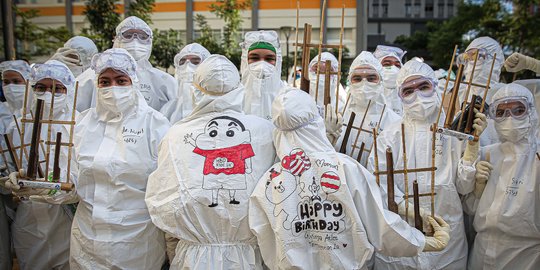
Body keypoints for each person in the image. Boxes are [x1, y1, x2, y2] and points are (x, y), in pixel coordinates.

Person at [249, 88, 451, 269]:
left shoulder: (269, 180)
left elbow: (263, 239)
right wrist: (423, 242)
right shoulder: (346, 168)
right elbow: (380, 226)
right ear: (317, 122)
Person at [145, 55, 276, 269]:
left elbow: (163, 200)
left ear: (195, 90)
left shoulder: (176, 135)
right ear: (238, 89)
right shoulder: (266, 130)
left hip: (195, 257)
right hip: (252, 256)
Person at [369, 60, 486, 269]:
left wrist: (471, 149)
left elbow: (464, 187)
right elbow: (377, 184)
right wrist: (412, 210)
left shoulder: (453, 132)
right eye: (408, 91)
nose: (417, 96)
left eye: (424, 87)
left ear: (435, 87)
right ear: (399, 96)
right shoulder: (389, 137)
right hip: (403, 233)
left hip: (447, 234)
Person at [69, 48, 169, 269]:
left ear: (133, 81)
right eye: (105, 81)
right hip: (88, 236)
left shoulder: (155, 124)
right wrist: (53, 189)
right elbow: (72, 177)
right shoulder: (83, 124)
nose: (112, 87)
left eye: (121, 80)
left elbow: (165, 184)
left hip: (137, 238)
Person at [2, 60, 78, 270]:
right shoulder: (18, 125)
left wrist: (55, 188)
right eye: (41, 87)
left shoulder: (80, 125)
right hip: (31, 218)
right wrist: (12, 180)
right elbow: (10, 165)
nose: (48, 93)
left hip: (67, 217)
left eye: (57, 88)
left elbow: (85, 176)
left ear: (69, 90)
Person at [459, 83, 539, 269]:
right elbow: (471, 209)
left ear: (531, 112)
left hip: (526, 254)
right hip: (483, 248)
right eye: (501, 112)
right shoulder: (487, 153)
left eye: (518, 110)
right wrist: (477, 189)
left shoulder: (537, 157)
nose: (509, 118)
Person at [76, 16, 177, 112]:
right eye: (128, 35)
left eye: (142, 37)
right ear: (116, 39)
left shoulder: (165, 81)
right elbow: (75, 113)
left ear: (150, 41)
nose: (135, 41)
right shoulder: (90, 77)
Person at [334, 51, 401, 167]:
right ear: (350, 81)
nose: (364, 83)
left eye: (371, 78)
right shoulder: (339, 117)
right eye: (357, 78)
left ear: (381, 80)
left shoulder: (394, 121)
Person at [0, 59, 31, 270]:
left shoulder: (37, 114)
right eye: (6, 81)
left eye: (17, 81)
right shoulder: (3, 112)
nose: (11, 87)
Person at [240, 30, 287, 120]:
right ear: (244, 60)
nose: (262, 65)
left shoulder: (288, 98)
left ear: (278, 61)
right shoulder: (232, 97)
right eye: (254, 58)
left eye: (269, 59)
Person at [160, 43, 211, 123]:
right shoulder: (168, 110)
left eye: (195, 61)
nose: (187, 67)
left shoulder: (215, 105)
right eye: (182, 61)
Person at [373, 45, 406, 115]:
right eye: (387, 64)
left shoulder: (408, 98)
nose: (393, 68)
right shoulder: (370, 96)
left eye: (397, 65)